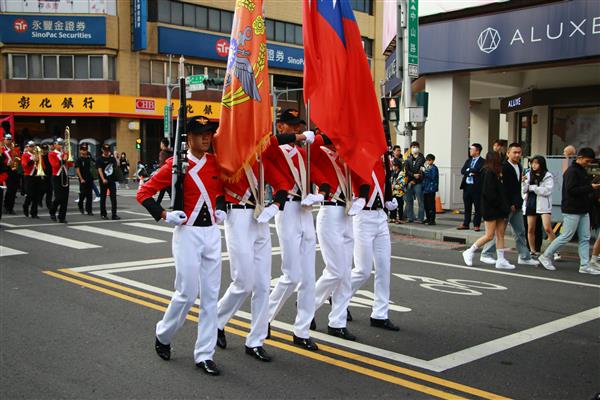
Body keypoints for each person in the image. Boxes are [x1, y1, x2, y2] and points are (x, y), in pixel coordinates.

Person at [136, 117, 226, 375]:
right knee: (186, 293)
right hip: (187, 233)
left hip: (211, 234)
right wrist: (165, 215)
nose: (206, 138)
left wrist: (220, 209)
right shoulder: (176, 165)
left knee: (211, 296)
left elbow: (221, 191)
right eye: (200, 134)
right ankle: (163, 334)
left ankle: (205, 354)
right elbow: (144, 192)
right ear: (188, 138)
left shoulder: (214, 162)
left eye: (209, 133)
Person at [264, 109, 319, 351]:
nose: (296, 129)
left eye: (298, 125)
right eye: (291, 125)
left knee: (308, 278)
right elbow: (265, 146)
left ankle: (302, 330)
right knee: (291, 275)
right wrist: (296, 139)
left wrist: (319, 193)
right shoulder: (275, 148)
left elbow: (317, 175)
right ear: (281, 126)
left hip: (305, 211)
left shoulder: (302, 153)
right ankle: (263, 317)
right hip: (286, 212)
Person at [309, 132, 356, 341]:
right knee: (335, 270)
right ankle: (308, 304)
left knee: (345, 273)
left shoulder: (347, 155)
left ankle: (337, 321)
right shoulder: (320, 151)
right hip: (329, 211)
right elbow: (307, 152)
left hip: (347, 212)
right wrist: (325, 136)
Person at [346, 157, 400, 331]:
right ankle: (338, 295)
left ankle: (380, 314)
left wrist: (387, 201)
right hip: (363, 217)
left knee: (384, 268)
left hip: (380, 217)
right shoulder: (358, 161)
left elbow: (382, 188)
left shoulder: (383, 163)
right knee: (363, 270)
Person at [538, 148, 600, 274]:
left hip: (582, 209)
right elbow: (571, 190)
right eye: (587, 161)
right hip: (572, 208)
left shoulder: (581, 170)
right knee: (566, 235)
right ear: (580, 157)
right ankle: (545, 256)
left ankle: (584, 265)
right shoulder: (572, 171)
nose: (588, 163)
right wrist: (590, 187)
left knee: (585, 237)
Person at [479, 143, 539, 267]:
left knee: (520, 231)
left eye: (519, 152)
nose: (517, 155)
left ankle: (524, 256)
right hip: (507, 205)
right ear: (508, 153)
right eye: (514, 152)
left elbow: (515, 186)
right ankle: (486, 254)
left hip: (516, 204)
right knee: (498, 232)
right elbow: (503, 189)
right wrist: (508, 204)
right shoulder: (504, 167)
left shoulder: (519, 165)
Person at [462, 152, 513, 269]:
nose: (501, 161)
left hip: (498, 208)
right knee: (489, 235)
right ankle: (470, 251)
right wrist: (501, 205)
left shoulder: (494, 172)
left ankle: (501, 260)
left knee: (500, 234)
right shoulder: (488, 172)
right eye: (499, 159)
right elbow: (489, 193)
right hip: (491, 208)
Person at [522, 155, 559, 259]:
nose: (534, 165)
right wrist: (524, 182)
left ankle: (555, 251)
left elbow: (547, 191)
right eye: (532, 163)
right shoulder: (528, 174)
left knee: (547, 228)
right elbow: (524, 190)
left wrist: (533, 187)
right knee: (530, 229)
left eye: (536, 163)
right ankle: (533, 251)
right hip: (530, 203)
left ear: (541, 164)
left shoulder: (548, 175)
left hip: (543, 205)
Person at [458, 143, 484, 231]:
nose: (470, 151)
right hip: (467, 187)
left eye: (472, 149)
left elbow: (479, 171)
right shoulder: (468, 161)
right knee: (467, 207)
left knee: (477, 207)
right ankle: (466, 223)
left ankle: (476, 225)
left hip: (477, 188)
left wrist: (470, 170)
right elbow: (463, 171)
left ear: (477, 151)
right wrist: (470, 171)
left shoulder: (483, 161)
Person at [48, 138, 73, 223]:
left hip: (65, 175)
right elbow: (54, 165)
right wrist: (63, 159)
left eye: (61, 144)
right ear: (54, 145)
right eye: (59, 144)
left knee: (65, 198)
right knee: (59, 197)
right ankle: (52, 211)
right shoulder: (52, 154)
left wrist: (69, 158)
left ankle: (62, 216)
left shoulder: (65, 153)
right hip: (57, 176)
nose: (60, 146)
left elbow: (70, 164)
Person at [96, 144, 120, 220]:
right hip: (104, 181)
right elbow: (99, 170)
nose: (106, 152)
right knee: (103, 197)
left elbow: (117, 166)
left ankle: (114, 214)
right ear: (102, 150)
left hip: (111, 180)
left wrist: (116, 157)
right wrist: (103, 179)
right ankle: (103, 214)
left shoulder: (111, 159)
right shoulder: (99, 159)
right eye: (105, 150)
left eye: (108, 150)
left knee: (113, 198)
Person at [404, 141, 425, 223]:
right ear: (411, 148)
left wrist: (417, 176)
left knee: (420, 201)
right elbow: (406, 170)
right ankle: (410, 217)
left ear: (419, 148)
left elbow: (422, 170)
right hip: (409, 182)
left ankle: (420, 218)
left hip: (418, 182)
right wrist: (413, 176)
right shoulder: (408, 158)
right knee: (409, 201)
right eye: (413, 147)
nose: (414, 148)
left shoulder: (422, 158)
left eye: (416, 147)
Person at [20, 141, 41, 218]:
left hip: (36, 175)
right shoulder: (25, 155)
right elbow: (24, 165)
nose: (32, 148)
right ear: (27, 147)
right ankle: (25, 206)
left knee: (36, 195)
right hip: (29, 176)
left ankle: (34, 212)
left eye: (33, 146)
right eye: (30, 146)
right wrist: (33, 160)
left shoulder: (38, 154)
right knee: (30, 194)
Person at [2, 132, 20, 215]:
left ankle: (11, 207)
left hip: (14, 170)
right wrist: (6, 163)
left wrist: (17, 157)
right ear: (4, 139)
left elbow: (19, 158)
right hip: (6, 170)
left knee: (14, 190)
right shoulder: (2, 149)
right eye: (7, 139)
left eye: (10, 139)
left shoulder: (14, 148)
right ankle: (6, 206)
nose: (9, 141)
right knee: (9, 189)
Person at [75, 144, 94, 216]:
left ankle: (89, 210)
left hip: (89, 178)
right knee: (83, 193)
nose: (84, 151)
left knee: (89, 195)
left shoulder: (89, 158)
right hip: (82, 179)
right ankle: (80, 204)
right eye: (82, 150)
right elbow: (77, 170)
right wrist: (81, 178)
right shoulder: (79, 159)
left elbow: (94, 166)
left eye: (85, 150)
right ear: (80, 151)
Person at [422, 154, 439, 225]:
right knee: (426, 204)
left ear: (433, 160)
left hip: (431, 189)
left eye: (430, 160)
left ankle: (432, 220)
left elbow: (432, 177)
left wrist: (425, 171)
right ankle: (428, 218)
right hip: (425, 188)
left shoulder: (434, 168)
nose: (428, 161)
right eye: (427, 160)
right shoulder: (428, 167)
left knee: (431, 205)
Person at [156, 138, 173, 205]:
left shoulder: (162, 153)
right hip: (170, 172)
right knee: (163, 190)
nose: (160, 145)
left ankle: (175, 204)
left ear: (163, 144)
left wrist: (159, 171)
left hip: (164, 173)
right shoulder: (171, 152)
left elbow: (162, 164)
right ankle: (157, 203)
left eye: (161, 143)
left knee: (168, 190)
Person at [389, 158, 406, 223]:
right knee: (393, 205)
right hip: (393, 192)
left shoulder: (401, 173)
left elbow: (402, 184)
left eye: (394, 165)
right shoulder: (393, 173)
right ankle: (393, 217)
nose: (393, 167)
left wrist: (394, 186)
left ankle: (400, 218)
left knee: (399, 206)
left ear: (397, 166)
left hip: (399, 193)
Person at [39, 144, 53, 210]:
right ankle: (39, 200)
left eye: (46, 149)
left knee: (50, 190)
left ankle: (49, 204)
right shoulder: (39, 156)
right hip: (42, 175)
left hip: (50, 174)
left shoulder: (49, 156)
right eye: (43, 149)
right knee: (43, 190)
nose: (44, 151)